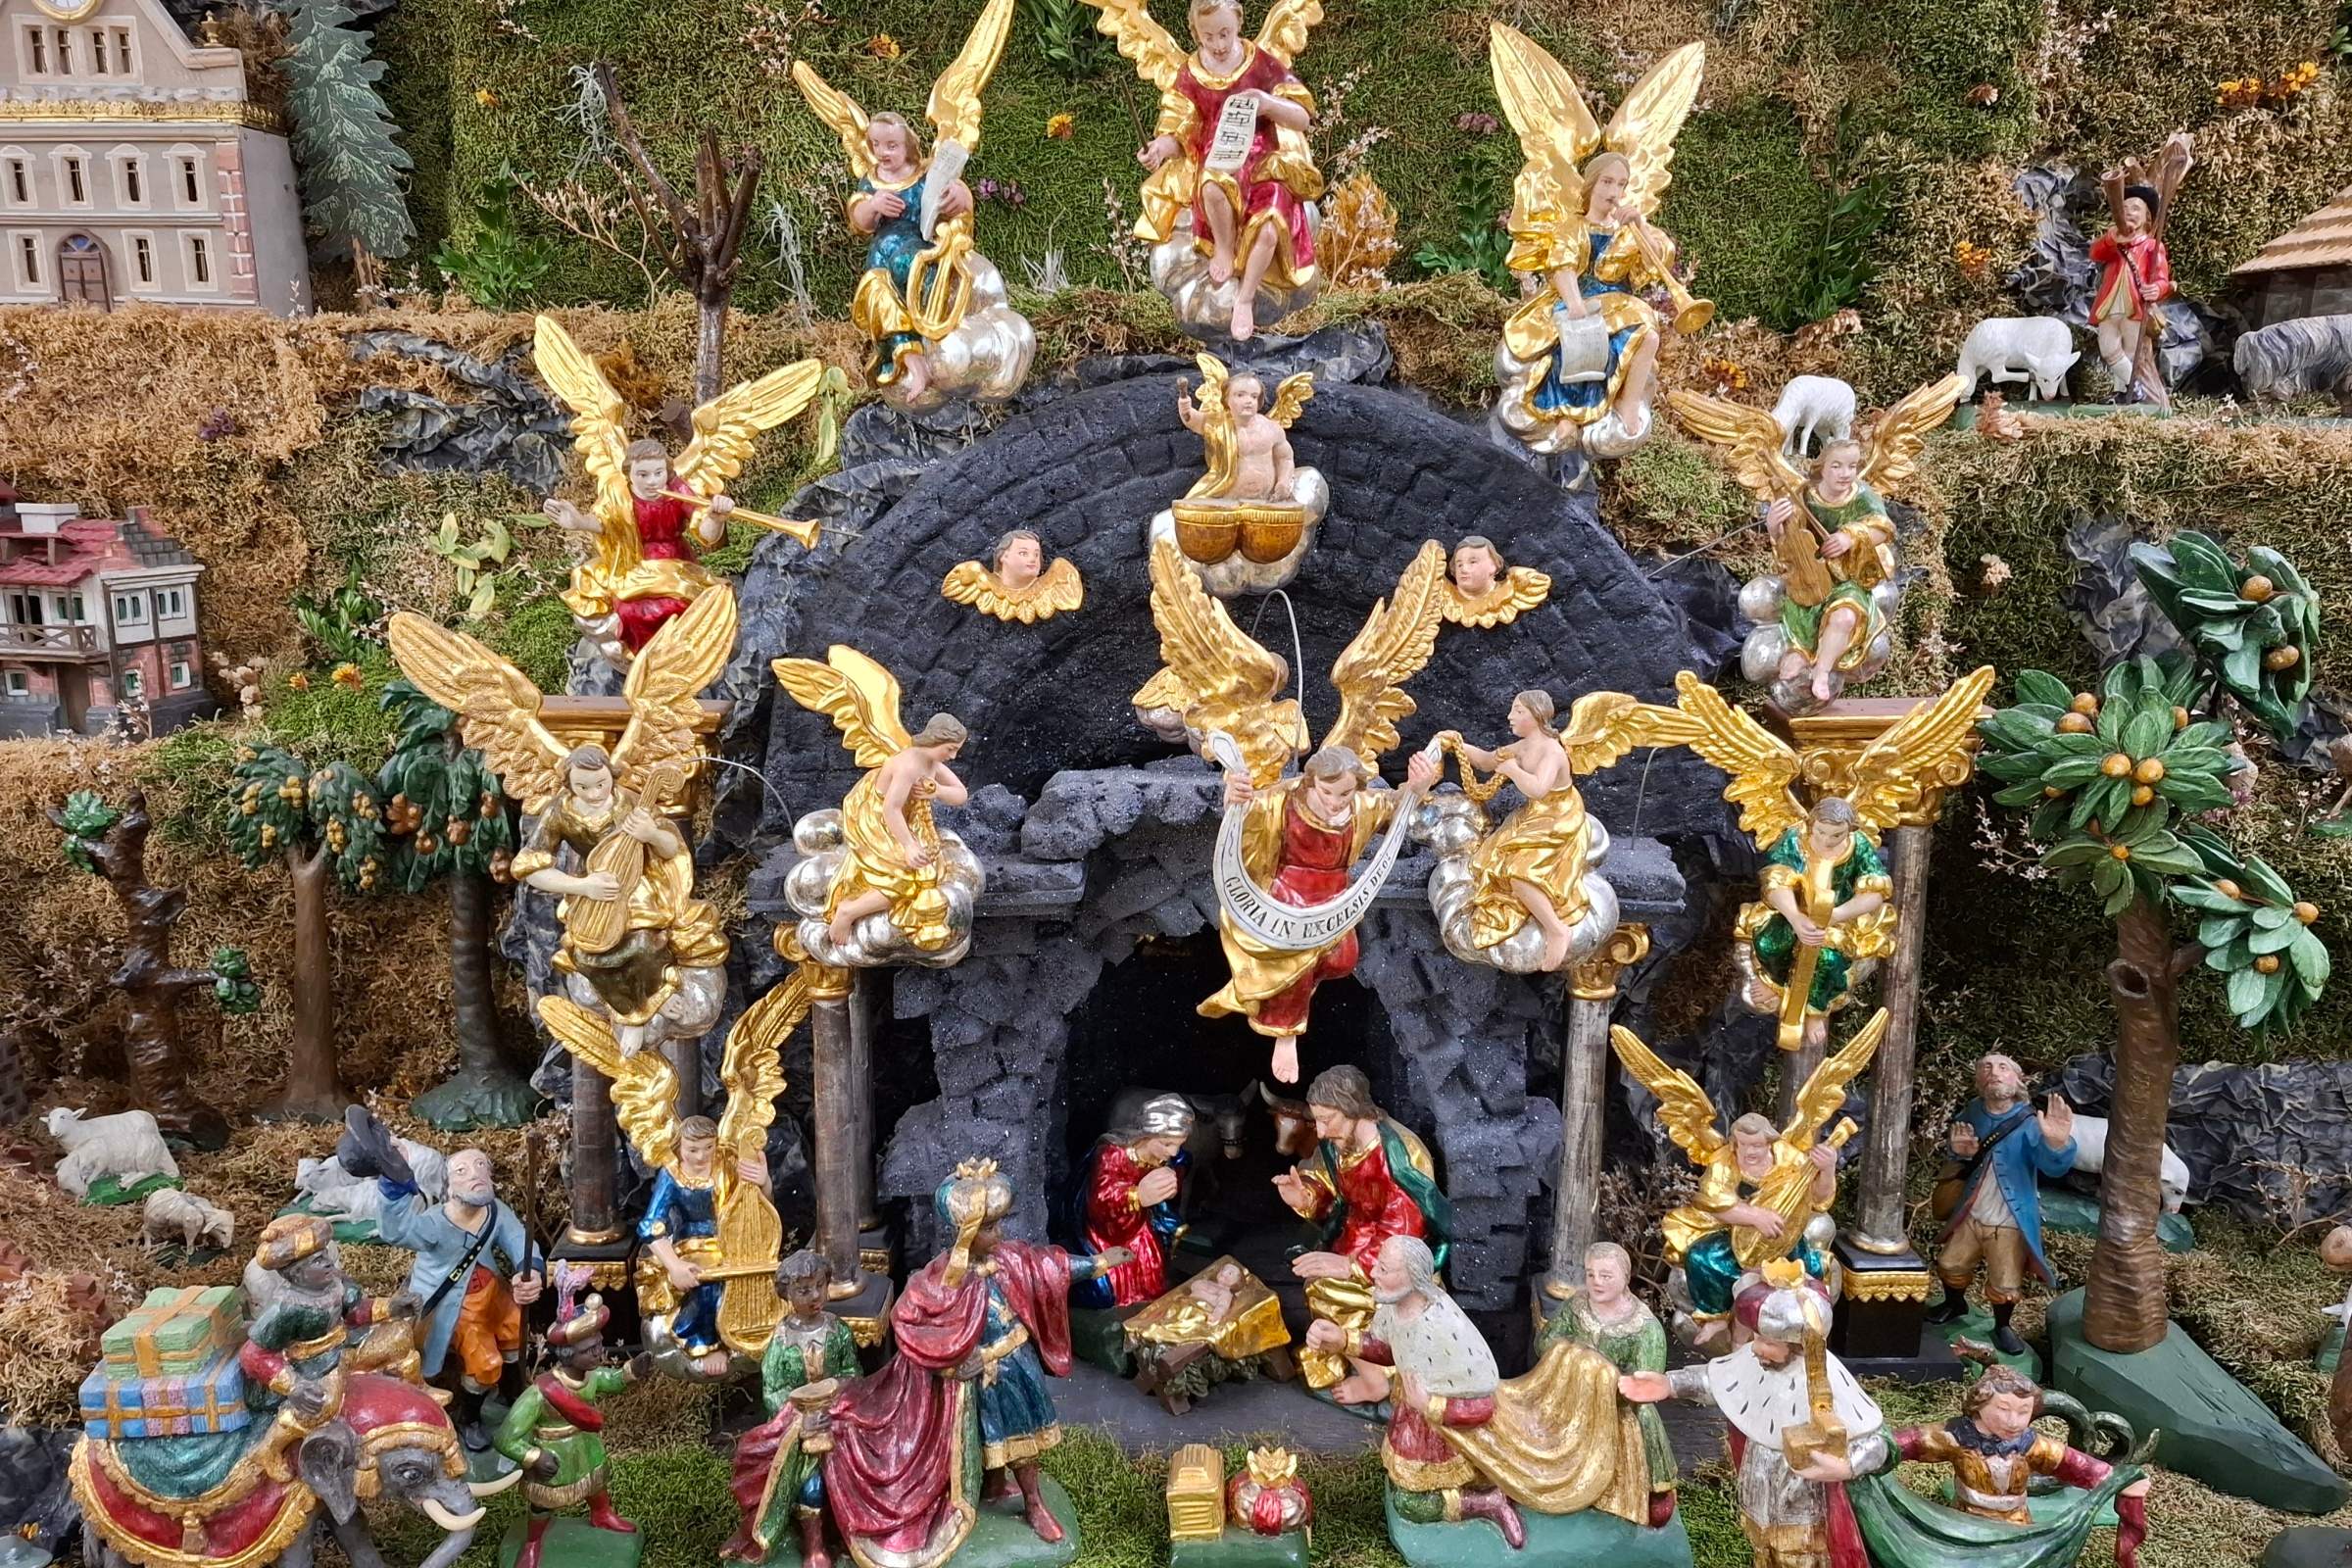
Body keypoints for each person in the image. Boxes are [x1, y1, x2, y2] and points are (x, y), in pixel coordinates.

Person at [821, 1160, 1131, 1562]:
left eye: (999, 1224)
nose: (998, 1234)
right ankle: (993, 1486)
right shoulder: (941, 1278)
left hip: (1016, 1362)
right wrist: (951, 1356)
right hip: (979, 1373)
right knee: (987, 1434)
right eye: (988, 1227)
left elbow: (1049, 1267)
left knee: (1025, 1437)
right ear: (965, 1231)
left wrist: (1099, 1263)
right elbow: (911, 1318)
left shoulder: (1010, 1260)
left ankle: (1033, 1503)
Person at [1622, 1264, 1887, 1568]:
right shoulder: (1757, 1360)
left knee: (1796, 1558)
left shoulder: (1824, 1381)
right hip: (1758, 1493)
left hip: (1801, 1506)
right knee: (1762, 1551)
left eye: (1769, 1343)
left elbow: (1878, 1442)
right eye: (1757, 1337)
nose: (1757, 1348)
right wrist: (1670, 1384)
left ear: (1800, 1346)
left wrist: (1847, 1465)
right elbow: (1720, 1380)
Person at [1208, 745, 1442, 1081]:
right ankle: (1286, 1034)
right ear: (1311, 782)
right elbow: (1248, 812)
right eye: (1326, 792)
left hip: (1334, 898)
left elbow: (1395, 805)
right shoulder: (1285, 800)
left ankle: (1299, 987)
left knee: (1342, 960)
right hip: (1288, 893)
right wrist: (1235, 796)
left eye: (1344, 793)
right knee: (1297, 960)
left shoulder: (1361, 806)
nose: (1335, 802)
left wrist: (1417, 787)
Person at [511, 742, 729, 1054]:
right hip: (593, 891)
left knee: (643, 944)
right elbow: (530, 867)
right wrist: (583, 886)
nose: (594, 793)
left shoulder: (629, 802)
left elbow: (671, 847)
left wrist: (651, 834)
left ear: (612, 776)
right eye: (583, 787)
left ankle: (650, 1004)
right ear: (569, 785)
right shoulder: (560, 811)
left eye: (601, 784)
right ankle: (634, 1009)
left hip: (637, 886)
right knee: (586, 957)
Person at [1130, 0, 1322, 340]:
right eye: (1208, 37)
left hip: (1264, 165)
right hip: (1218, 162)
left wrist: (1268, 104)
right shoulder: (1191, 74)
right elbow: (1181, 130)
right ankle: (1224, 247)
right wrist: (1159, 148)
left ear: (1238, 24)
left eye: (1225, 34)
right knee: (1211, 184)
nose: (1218, 44)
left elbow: (1302, 118)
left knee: (1271, 226)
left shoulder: (1260, 63)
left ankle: (1245, 298)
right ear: (1195, 33)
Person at [1276, 1065, 1451, 1401]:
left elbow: (1405, 1228)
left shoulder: (1400, 1154)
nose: (1321, 1132)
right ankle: (1349, 1356)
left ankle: (1376, 1380)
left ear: (1352, 1108)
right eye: (1317, 1121)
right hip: (1352, 1241)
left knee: (1326, 1290)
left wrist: (1352, 1266)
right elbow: (1331, 1193)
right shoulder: (1337, 1146)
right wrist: (1305, 1196)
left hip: (1393, 1261)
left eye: (1327, 1119)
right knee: (1317, 1280)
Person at [368, 1129, 543, 1451]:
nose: (475, 1175)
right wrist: (394, 1182)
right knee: (484, 1360)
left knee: (515, 1331)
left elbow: (520, 1242)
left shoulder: (495, 1212)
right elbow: (398, 1231)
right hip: (456, 1304)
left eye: (481, 1166)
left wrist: (528, 1272)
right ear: (448, 1188)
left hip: (493, 1292)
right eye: (462, 1171)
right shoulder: (436, 1223)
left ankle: (512, 1392)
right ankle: (469, 1417)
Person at [1888, 1365, 2149, 1562]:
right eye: (2004, 1409)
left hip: (2015, 1524)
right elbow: (1912, 1442)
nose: (2014, 1421)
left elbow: (2073, 1463)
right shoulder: (1956, 1437)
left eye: (2023, 1412)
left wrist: (2117, 1480)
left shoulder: (2030, 1444)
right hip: (1966, 1521)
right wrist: (1876, 1449)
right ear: (1979, 1405)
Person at [495, 1274, 652, 1568]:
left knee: (596, 1484)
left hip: (586, 1446)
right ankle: (533, 1542)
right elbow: (505, 1438)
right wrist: (534, 1456)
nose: (599, 1353)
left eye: (599, 1345)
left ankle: (602, 1514)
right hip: (554, 1453)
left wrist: (632, 1371)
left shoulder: (591, 1377)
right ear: (568, 1354)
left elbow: (613, 1380)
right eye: (590, 1350)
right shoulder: (539, 1394)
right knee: (543, 1503)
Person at [1438, 690, 1601, 971]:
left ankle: (1557, 930)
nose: (1510, 716)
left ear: (1536, 716)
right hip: (1535, 813)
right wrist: (1455, 744)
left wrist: (1512, 770)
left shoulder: (1552, 752)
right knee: (1490, 859)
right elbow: (1486, 761)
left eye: (1518, 711)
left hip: (1558, 817)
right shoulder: (1523, 747)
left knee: (1519, 872)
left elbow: (1538, 789)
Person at [723, 1250, 865, 1567]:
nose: (815, 1296)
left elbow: (852, 1372)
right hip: (796, 1426)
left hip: (836, 1418)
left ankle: (852, 1532)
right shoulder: (781, 1340)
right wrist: (800, 1420)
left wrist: (838, 1395)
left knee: (856, 1468)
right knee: (810, 1484)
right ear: (786, 1294)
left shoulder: (838, 1331)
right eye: (804, 1290)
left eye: (820, 1286)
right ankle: (814, 1545)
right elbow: (773, 1391)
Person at [1928, 1054, 2076, 1355]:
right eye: (1987, 1067)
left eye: (2003, 1067)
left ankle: (2003, 1325)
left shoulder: (2030, 1122)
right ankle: (1954, 1304)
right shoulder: (1972, 1112)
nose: (1994, 1072)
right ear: (1979, 1080)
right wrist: (1959, 1153)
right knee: (1950, 1263)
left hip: (2009, 1217)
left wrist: (2057, 1144)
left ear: (2018, 1080)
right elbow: (1958, 1152)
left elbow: (2052, 1167)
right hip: (1972, 1211)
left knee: (2006, 1280)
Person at [1662, 1113, 1838, 1348]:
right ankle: (1716, 1316)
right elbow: (1715, 1204)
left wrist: (1827, 1170)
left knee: (1797, 1274)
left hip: (1780, 1237)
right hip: (1732, 1234)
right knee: (1700, 1258)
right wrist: (1755, 1217)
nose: (1748, 1151)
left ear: (1769, 1143)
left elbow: (1817, 1198)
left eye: (1756, 1145)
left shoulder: (1789, 1157)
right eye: (1742, 1144)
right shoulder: (1725, 1160)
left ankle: (1790, 1332)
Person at [549, 437, 735, 654]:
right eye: (643, 475)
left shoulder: (678, 490)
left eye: (658, 473)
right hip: (632, 567)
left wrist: (715, 518)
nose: (652, 482)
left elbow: (707, 535)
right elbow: (604, 522)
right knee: (630, 611)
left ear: (667, 470)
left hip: (675, 566)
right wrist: (578, 522)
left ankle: (684, 653)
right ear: (629, 474)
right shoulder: (618, 493)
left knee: (679, 607)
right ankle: (643, 658)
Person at [1738, 797, 1893, 1052]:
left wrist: (1837, 915)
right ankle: (1775, 984)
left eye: (1836, 835)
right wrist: (1796, 917)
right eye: (1821, 832)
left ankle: (1816, 1009)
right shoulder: (1795, 839)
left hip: (1837, 923)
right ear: (1811, 824)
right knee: (1770, 944)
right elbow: (1776, 881)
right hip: (1791, 914)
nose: (1826, 840)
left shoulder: (1859, 846)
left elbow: (1876, 891)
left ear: (1850, 830)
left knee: (1830, 963)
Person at [1540, 1243, 1677, 1524]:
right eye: (1590, 1274)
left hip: (1617, 1406)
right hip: (1571, 1394)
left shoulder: (1644, 1328)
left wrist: (1604, 1377)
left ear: (1624, 1278)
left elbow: (1646, 1381)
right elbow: (1545, 1341)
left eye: (1606, 1275)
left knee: (1645, 1417)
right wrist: (1576, 1357)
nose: (1596, 1282)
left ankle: (1653, 1486)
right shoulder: (1577, 1307)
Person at [845, 112, 977, 400]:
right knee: (879, 294)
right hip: (880, 257)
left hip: (918, 248)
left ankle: (938, 339)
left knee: (917, 269)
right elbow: (858, 218)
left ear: (908, 145)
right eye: (876, 144)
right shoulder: (871, 181)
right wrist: (873, 205)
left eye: (891, 145)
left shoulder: (924, 175)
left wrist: (959, 196)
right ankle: (914, 365)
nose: (882, 152)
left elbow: (959, 204)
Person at [1761, 440, 1897, 704]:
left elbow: (1884, 529)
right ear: (1821, 468)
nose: (1845, 474)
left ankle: (1822, 672)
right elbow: (1789, 542)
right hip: (1810, 577)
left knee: (1845, 618)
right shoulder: (1803, 496)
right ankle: (1802, 654)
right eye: (1836, 466)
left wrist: (1850, 536)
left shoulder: (1862, 496)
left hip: (1848, 578)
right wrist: (1773, 525)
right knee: (1804, 624)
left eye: (1852, 466)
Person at [638, 1115, 775, 1375]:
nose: (701, 1156)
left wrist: (764, 1182)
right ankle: (706, 1343)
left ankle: (745, 1333)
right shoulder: (672, 1174)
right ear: (679, 1146)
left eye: (708, 1148)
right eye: (692, 1150)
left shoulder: (727, 1163)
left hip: (734, 1240)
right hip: (693, 1244)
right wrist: (674, 1265)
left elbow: (758, 1202)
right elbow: (651, 1225)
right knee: (706, 1280)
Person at [825, 713, 972, 952]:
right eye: (950, 749)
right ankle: (848, 911)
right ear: (936, 740)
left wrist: (938, 791)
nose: (953, 756)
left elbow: (961, 794)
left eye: (956, 750)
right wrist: (908, 845)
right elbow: (890, 809)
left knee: (930, 868)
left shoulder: (932, 762)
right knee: (904, 879)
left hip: (904, 816)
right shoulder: (909, 767)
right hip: (876, 819)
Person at [1075, 1093, 1195, 1308]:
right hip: (1107, 1232)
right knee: (1106, 1289)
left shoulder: (1165, 1157)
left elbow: (1180, 1164)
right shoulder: (1113, 1154)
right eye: (1167, 1144)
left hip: (1139, 1229)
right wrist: (1137, 1195)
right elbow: (1099, 1200)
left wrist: (1171, 1181)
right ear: (1149, 1135)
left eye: (1180, 1144)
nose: (1173, 1151)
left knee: (1153, 1280)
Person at [2088, 184, 2171, 404]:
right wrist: (2111, 239)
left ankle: (2123, 392)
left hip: (2134, 306)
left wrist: (2157, 289)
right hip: (2109, 304)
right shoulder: (2113, 244)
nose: (2129, 212)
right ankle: (2135, 387)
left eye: (2135, 208)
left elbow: (2162, 278)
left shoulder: (2152, 246)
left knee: (2130, 352)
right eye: (2124, 208)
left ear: (2147, 217)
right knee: (2108, 348)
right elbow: (2095, 253)